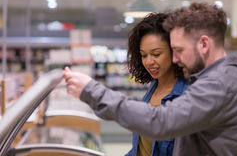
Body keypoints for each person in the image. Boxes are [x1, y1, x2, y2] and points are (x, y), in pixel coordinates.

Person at [64, 2, 237, 156]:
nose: (175, 58)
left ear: (204, 44)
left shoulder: (218, 85)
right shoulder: (234, 82)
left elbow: (160, 123)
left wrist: (91, 90)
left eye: (178, 50)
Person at [67, 13, 189, 156]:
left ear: (174, 52)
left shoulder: (187, 96)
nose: (149, 62)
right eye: (143, 55)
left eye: (156, 54)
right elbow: (141, 149)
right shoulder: (153, 88)